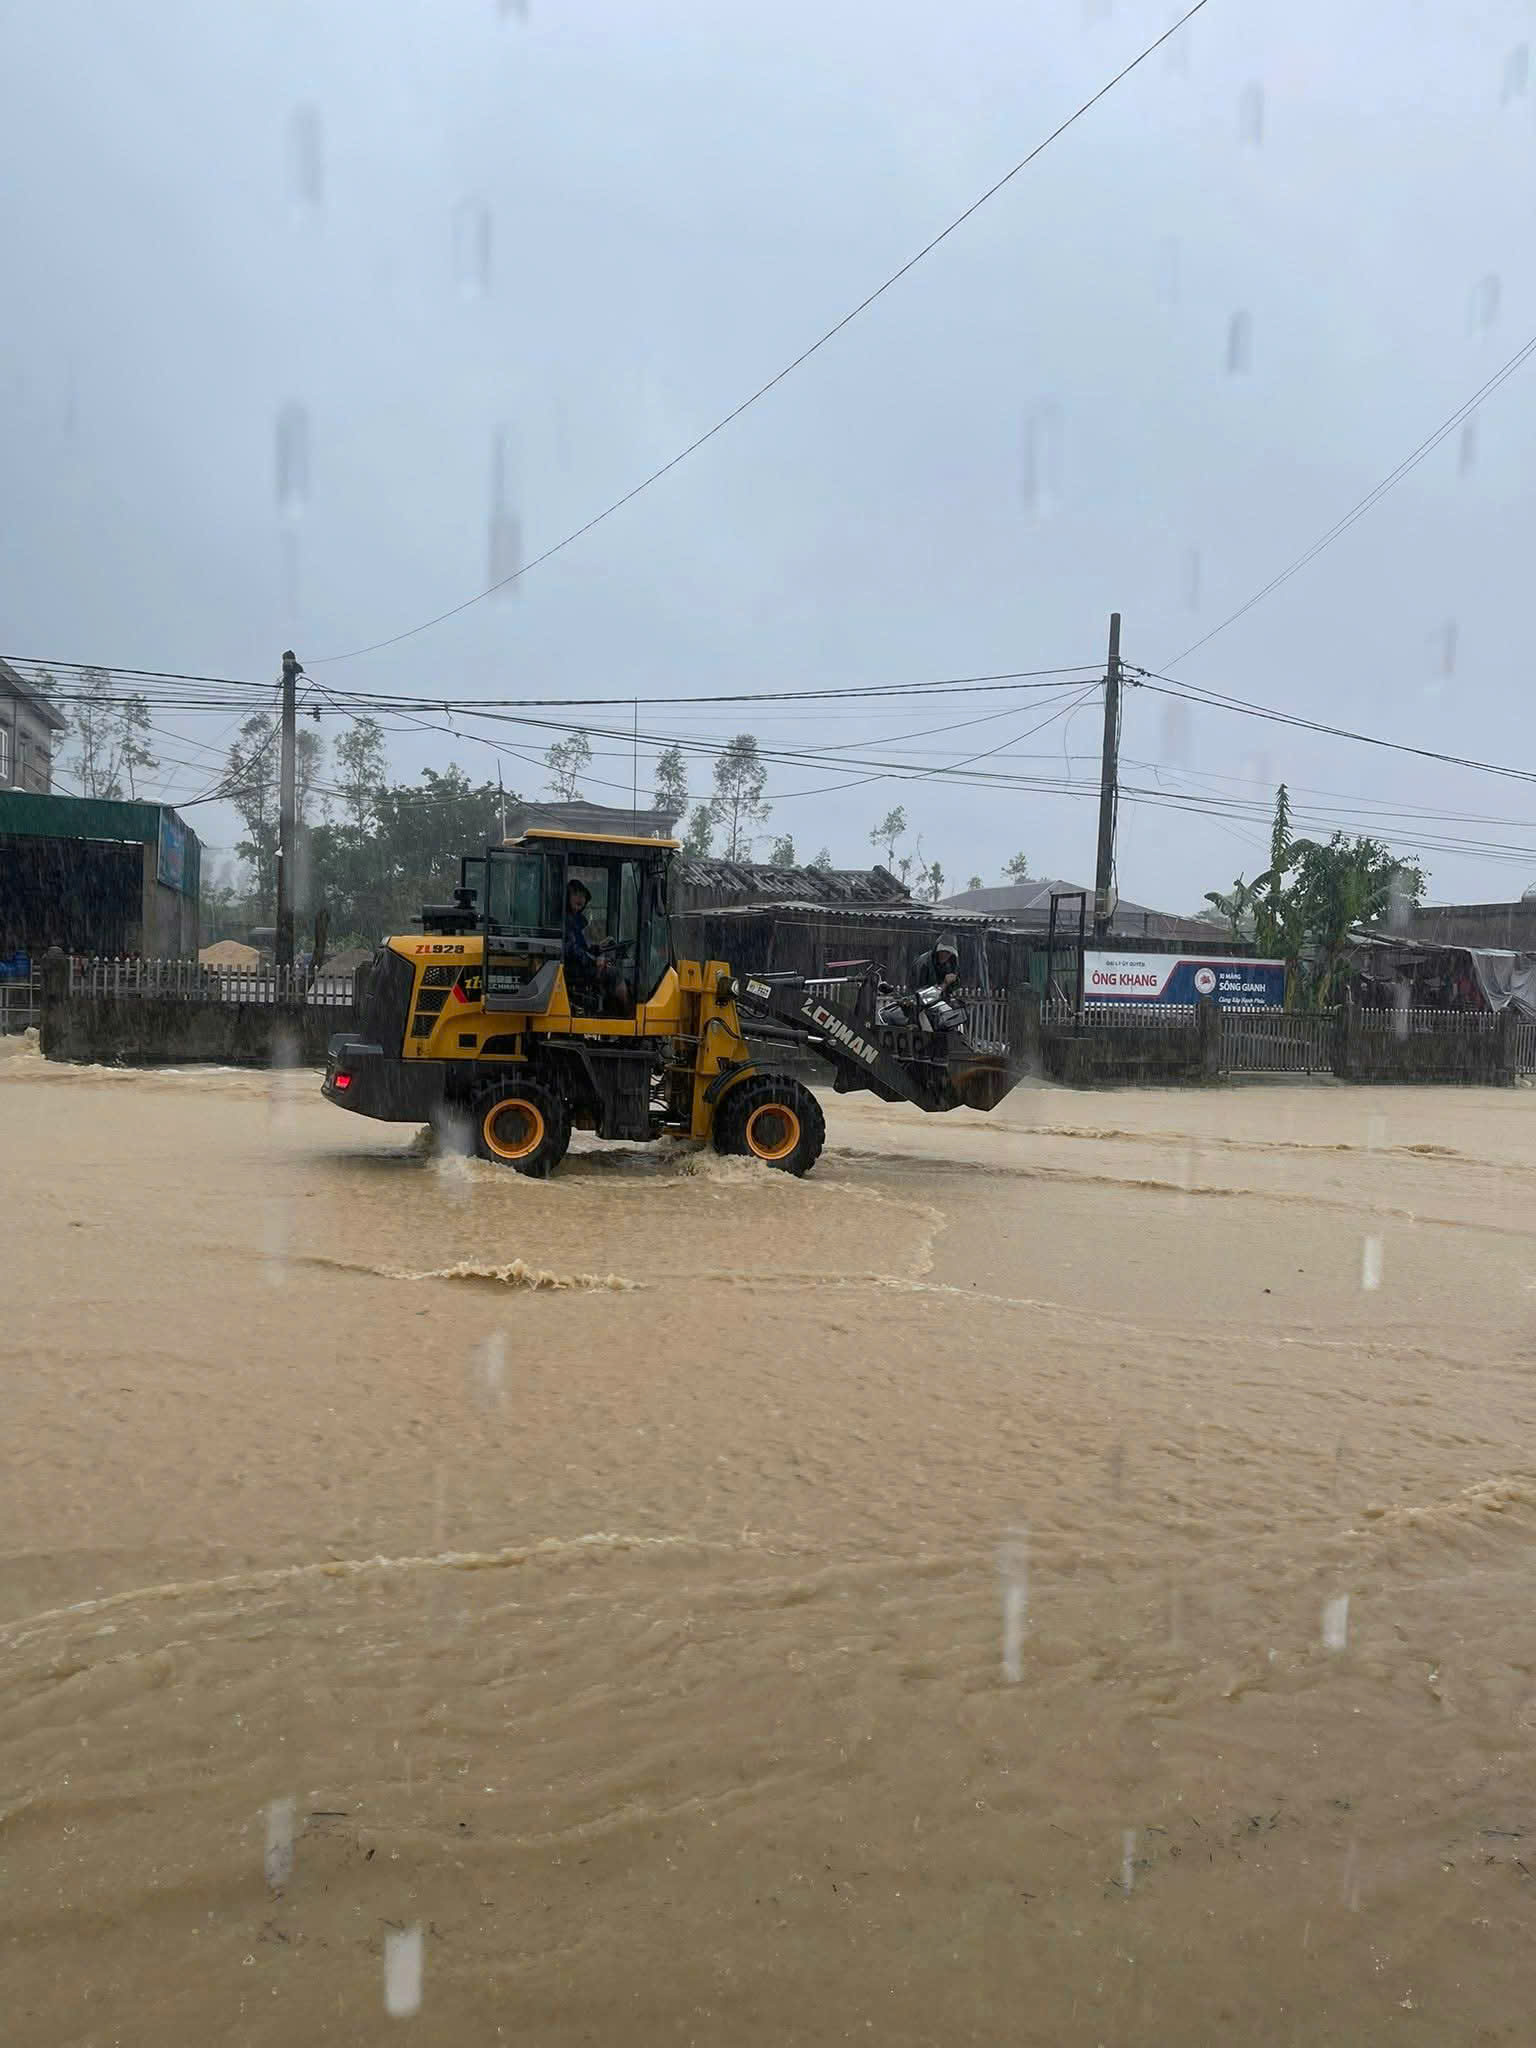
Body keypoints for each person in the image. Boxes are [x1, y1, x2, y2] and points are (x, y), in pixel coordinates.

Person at [563, 879, 629, 1010]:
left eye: (583, 895)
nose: (580, 898)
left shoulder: (577, 920)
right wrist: (594, 961)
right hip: (571, 968)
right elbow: (571, 949)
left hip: (579, 965)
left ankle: (610, 1009)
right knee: (614, 974)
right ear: (567, 896)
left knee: (612, 968)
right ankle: (628, 1011)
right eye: (576, 894)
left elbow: (582, 948)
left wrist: (599, 948)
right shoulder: (565, 920)